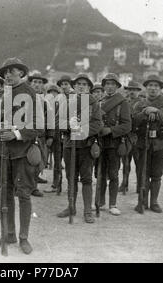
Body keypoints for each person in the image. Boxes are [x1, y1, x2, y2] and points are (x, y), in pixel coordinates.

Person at [0, 58, 40, 254]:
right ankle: (8, 233)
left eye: (12, 71)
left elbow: (38, 126)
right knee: (5, 194)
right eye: (5, 73)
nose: (8, 75)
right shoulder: (2, 94)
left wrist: (16, 133)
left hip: (22, 153)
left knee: (24, 194)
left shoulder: (30, 94)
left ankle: (23, 238)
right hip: (2, 152)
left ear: (21, 73)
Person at [56, 73, 103, 223]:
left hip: (86, 145)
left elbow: (98, 124)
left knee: (87, 178)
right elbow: (57, 122)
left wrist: (83, 130)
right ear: (74, 87)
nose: (81, 86)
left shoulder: (93, 103)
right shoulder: (67, 103)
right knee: (71, 178)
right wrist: (69, 126)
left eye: (84, 84)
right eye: (78, 84)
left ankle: (88, 210)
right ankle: (71, 206)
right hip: (70, 145)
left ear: (89, 87)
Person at [133, 75, 163, 214]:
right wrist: (144, 112)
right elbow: (133, 122)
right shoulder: (139, 104)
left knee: (156, 174)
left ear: (160, 89)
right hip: (142, 144)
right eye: (150, 85)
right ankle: (143, 201)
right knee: (143, 173)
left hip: (159, 144)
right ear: (146, 88)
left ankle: (154, 202)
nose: (153, 88)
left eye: (156, 86)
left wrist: (157, 112)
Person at [97, 74, 131, 215]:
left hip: (114, 142)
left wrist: (110, 130)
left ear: (117, 86)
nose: (109, 86)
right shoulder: (99, 102)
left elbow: (127, 125)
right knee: (100, 173)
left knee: (113, 174)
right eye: (107, 84)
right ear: (104, 86)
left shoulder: (122, 102)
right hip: (99, 142)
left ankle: (113, 204)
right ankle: (100, 202)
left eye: (113, 84)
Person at [28, 72, 51, 197]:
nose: (37, 85)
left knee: (39, 161)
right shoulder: (24, 97)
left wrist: (50, 135)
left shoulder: (45, 102)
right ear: (30, 83)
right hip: (26, 134)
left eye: (40, 82)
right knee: (25, 162)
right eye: (35, 82)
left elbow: (50, 119)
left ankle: (33, 186)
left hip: (40, 136)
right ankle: (24, 187)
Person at [119, 80, 142, 193]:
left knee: (139, 163)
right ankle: (124, 183)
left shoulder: (142, 103)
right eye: (130, 89)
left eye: (134, 90)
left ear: (138, 91)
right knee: (125, 162)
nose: (132, 92)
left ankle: (140, 185)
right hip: (127, 136)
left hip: (138, 137)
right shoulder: (124, 103)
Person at [44, 84, 63, 194]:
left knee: (58, 161)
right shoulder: (46, 106)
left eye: (54, 93)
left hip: (59, 136)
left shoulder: (61, 105)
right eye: (50, 93)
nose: (52, 95)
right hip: (49, 136)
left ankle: (56, 184)